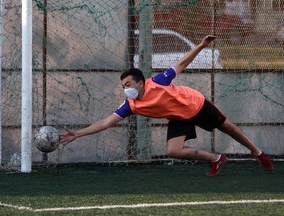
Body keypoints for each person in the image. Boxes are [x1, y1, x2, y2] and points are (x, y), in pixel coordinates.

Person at [60, 35, 274, 176]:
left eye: (128, 84)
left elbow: (181, 64)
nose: (126, 89)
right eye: (123, 86)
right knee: (173, 150)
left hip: (195, 104)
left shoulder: (159, 82)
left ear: (140, 82)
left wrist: (200, 45)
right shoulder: (131, 105)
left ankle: (257, 152)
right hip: (179, 117)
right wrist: (78, 133)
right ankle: (217, 158)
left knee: (228, 127)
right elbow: (106, 122)